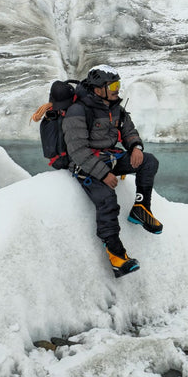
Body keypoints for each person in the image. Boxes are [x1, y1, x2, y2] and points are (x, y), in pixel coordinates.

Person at [63, 65, 162, 277]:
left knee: (149, 162)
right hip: (87, 165)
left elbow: (129, 130)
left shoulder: (115, 106)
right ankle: (117, 257)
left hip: (111, 157)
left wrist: (135, 147)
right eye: (114, 85)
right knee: (107, 200)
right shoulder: (78, 111)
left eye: (118, 84)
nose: (118, 89)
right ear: (98, 89)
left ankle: (141, 209)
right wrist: (103, 174)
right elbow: (77, 151)